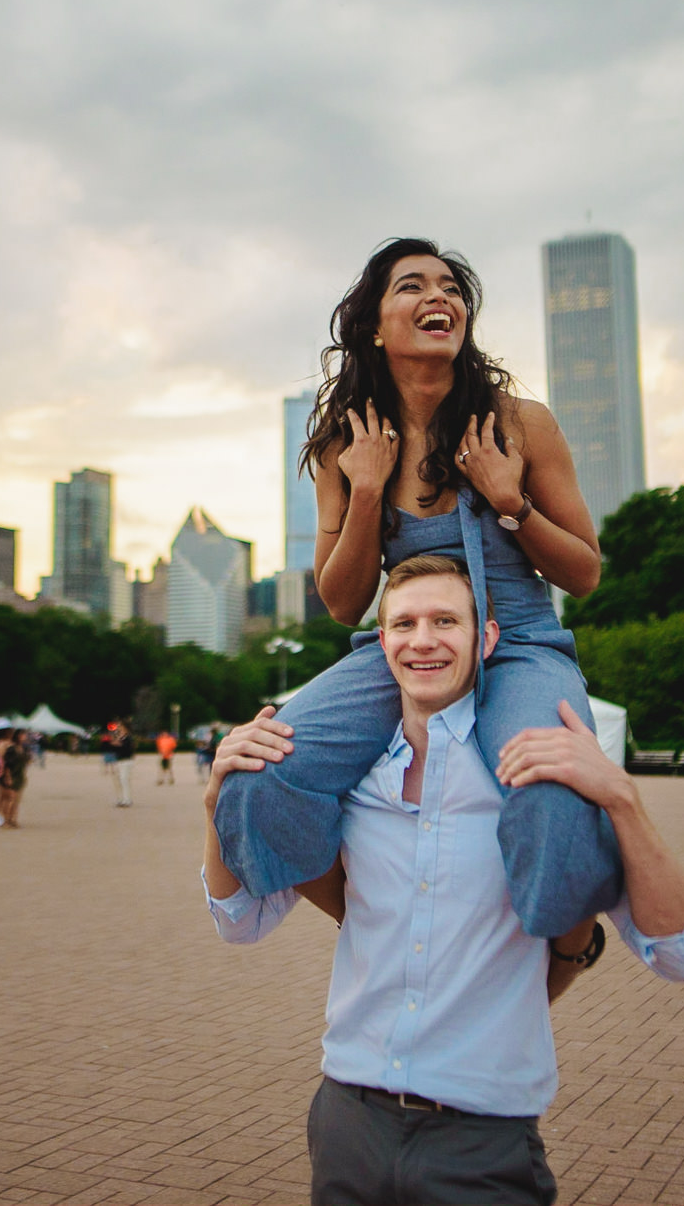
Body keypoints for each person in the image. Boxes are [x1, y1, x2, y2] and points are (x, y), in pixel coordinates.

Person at [205, 557, 684, 1206]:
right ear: (381, 642)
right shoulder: (349, 785)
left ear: (488, 639)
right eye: (405, 623)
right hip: (346, 1121)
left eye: (446, 621)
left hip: (482, 1137)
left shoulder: (538, 787)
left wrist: (622, 801)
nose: (423, 640)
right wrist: (216, 802)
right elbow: (236, 920)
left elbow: (682, 954)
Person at [214, 238, 621, 939]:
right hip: (406, 650)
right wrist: (367, 490)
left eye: (450, 287)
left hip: (518, 643)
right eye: (412, 285)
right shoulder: (347, 442)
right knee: (257, 774)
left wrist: (510, 503)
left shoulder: (522, 423)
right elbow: (343, 603)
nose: (439, 296)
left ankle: (558, 946)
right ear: (375, 324)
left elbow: (584, 573)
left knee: (554, 793)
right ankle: (388, 931)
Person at [0, 731, 31, 829]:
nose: (25, 736)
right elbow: (7, 764)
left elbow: (26, 761)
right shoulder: (11, 749)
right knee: (11, 799)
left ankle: (12, 819)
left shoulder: (23, 748)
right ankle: (6, 820)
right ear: (17, 736)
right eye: (23, 735)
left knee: (16, 800)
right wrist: (7, 777)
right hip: (11, 775)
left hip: (20, 775)